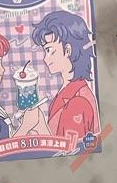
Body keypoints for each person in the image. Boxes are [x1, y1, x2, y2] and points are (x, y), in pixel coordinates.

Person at [28, 11, 100, 144]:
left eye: (49, 50)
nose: (45, 58)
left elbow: (68, 149)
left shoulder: (78, 102)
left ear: (67, 50)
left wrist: (40, 127)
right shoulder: (68, 91)